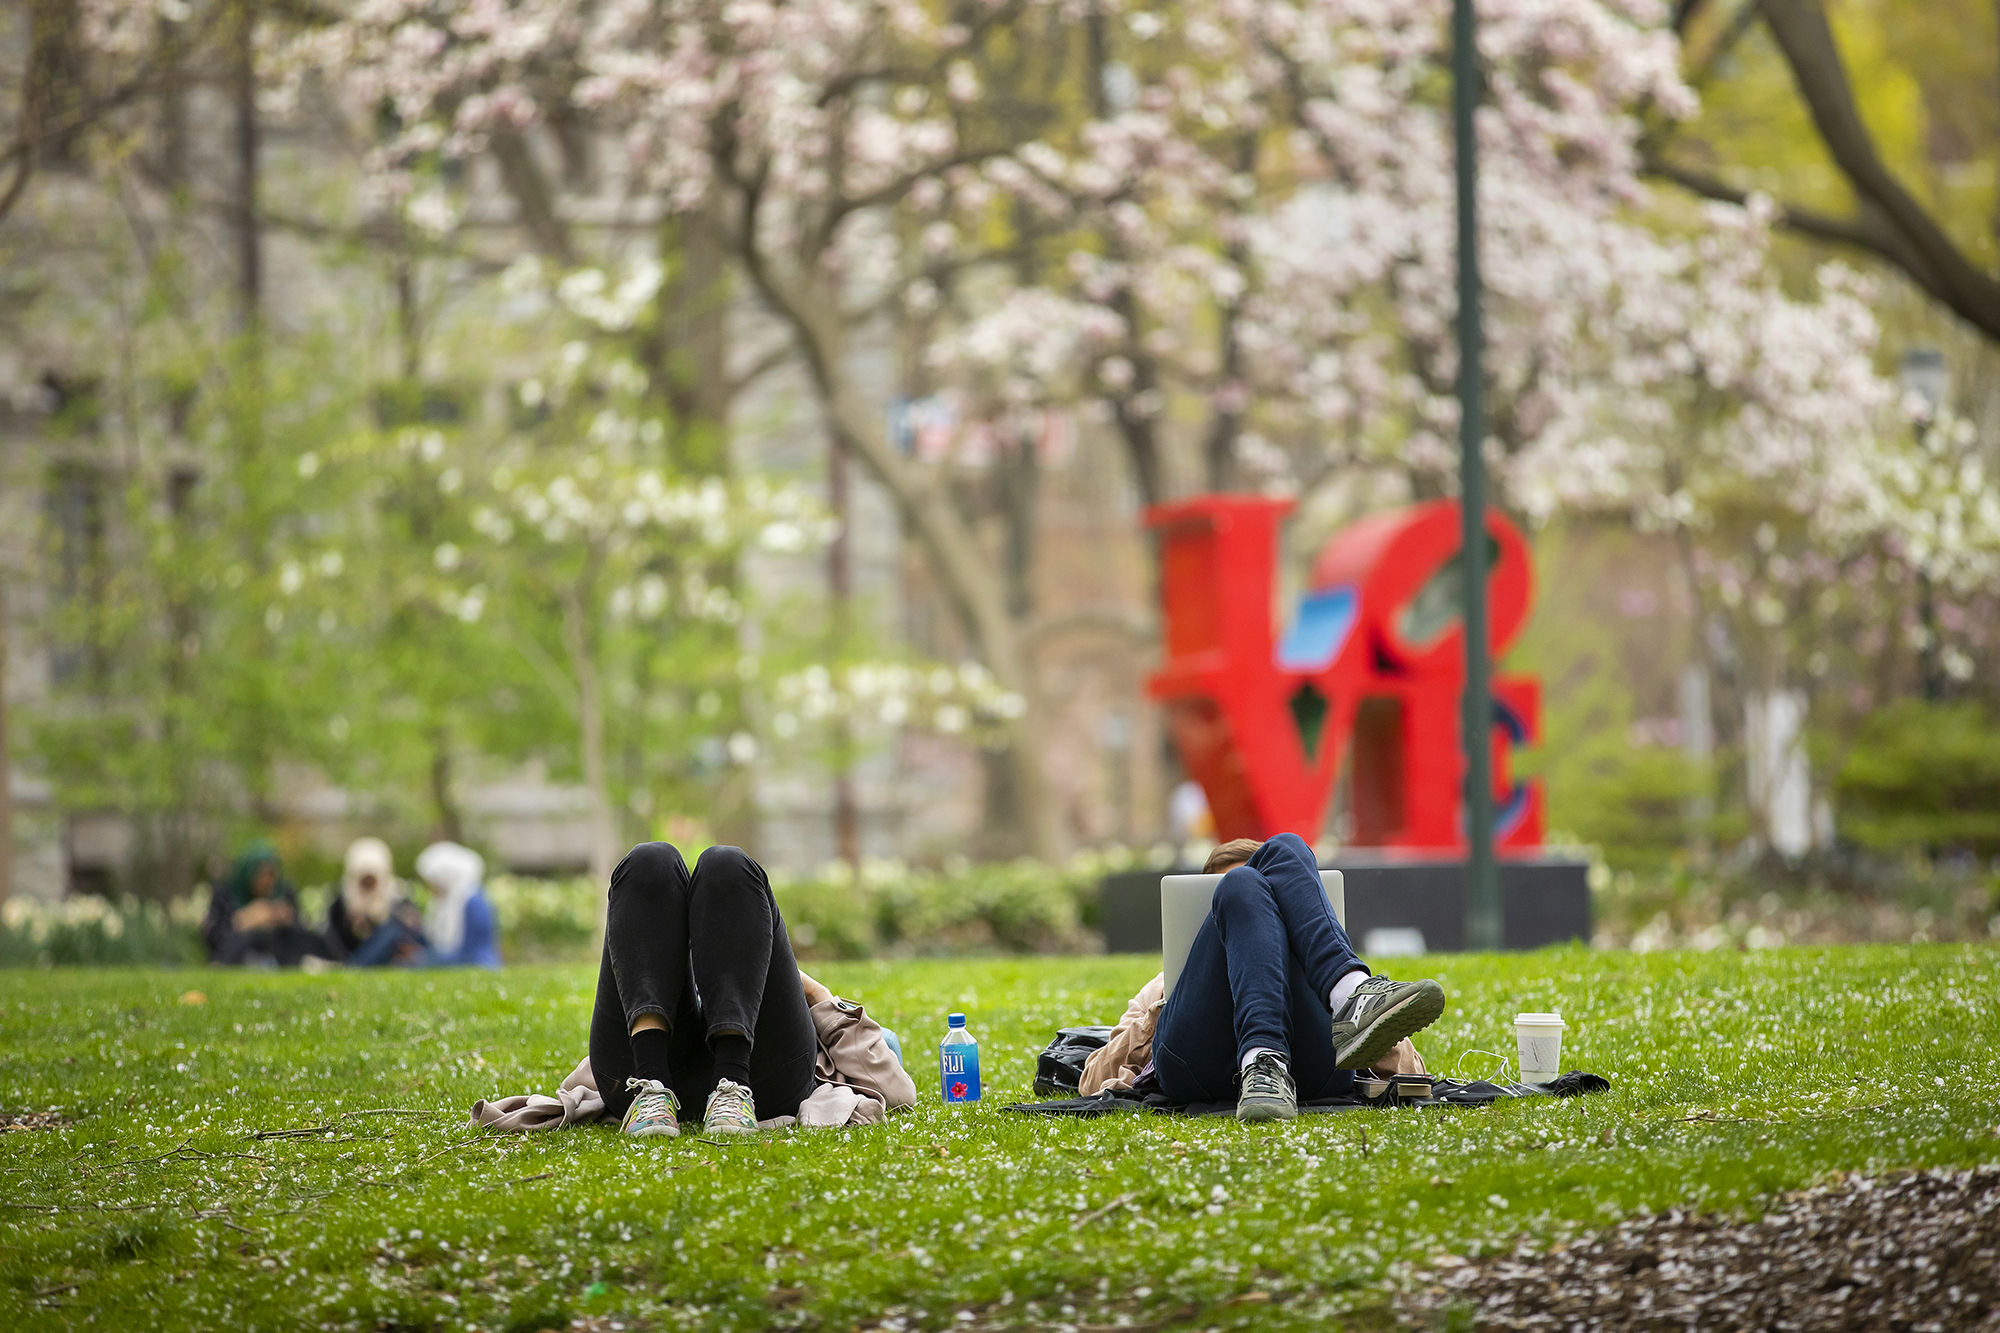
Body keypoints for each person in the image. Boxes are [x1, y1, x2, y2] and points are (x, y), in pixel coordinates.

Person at [1080, 833, 1444, 1122]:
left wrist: (1364, 1031)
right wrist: (1160, 1010)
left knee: (1287, 845)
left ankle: (1348, 998)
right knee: (1243, 881)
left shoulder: (1313, 967)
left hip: (1308, 1070)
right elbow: (1092, 1080)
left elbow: (1414, 1071)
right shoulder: (1167, 985)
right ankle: (1341, 998)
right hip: (1198, 1065)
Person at [593, 841, 885, 1138]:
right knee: (649, 859)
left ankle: (732, 1083)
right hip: (637, 1071)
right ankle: (651, 1085)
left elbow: (896, 1089)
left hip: (762, 1079)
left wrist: (817, 994)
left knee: (727, 863)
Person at [202, 840, 336, 967]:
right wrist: (246, 919)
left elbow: (301, 928)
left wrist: (284, 918)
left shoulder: (284, 893)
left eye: (272, 874)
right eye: (262, 874)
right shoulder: (225, 895)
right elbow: (214, 937)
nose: (267, 881)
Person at [325, 837, 429, 966]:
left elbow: (413, 937)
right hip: (351, 954)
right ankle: (355, 964)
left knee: (393, 928)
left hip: (389, 960)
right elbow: (334, 939)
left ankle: (356, 965)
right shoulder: (342, 902)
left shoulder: (398, 897)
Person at [414, 841, 502, 969]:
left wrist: (424, 958)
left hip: (479, 964)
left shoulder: (473, 901)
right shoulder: (446, 900)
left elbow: (469, 952)